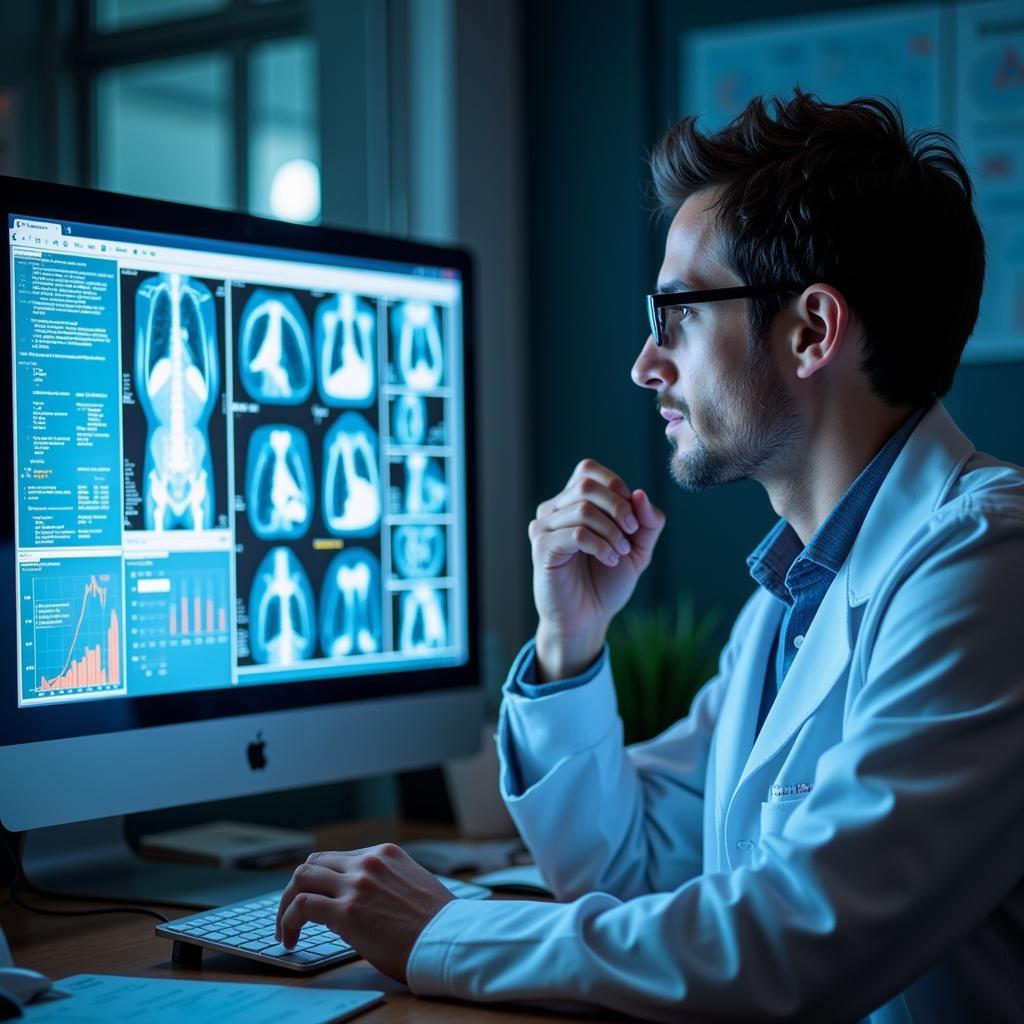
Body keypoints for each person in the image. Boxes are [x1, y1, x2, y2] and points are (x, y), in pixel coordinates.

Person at [275, 91, 1024, 1021]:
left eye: (676, 312)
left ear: (813, 331)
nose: (645, 362)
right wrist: (571, 641)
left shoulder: (989, 564)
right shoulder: (790, 606)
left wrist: (443, 931)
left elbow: (797, 942)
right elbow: (629, 869)